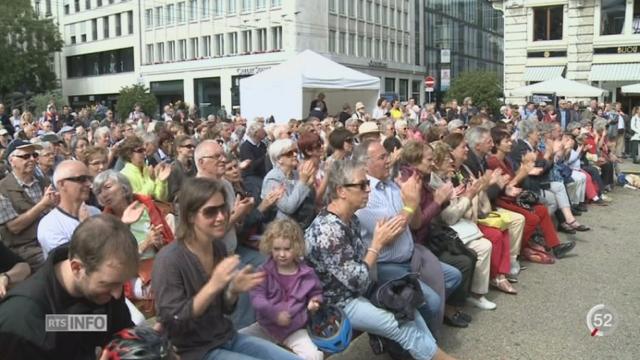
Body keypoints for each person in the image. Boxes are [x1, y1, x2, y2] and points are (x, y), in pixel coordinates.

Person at [305, 159, 455, 360]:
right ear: (341, 191)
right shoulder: (328, 231)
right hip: (338, 302)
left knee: (408, 312)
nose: (368, 190)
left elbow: (362, 274)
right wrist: (377, 244)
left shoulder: (350, 219)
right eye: (362, 185)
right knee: (399, 323)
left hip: (359, 289)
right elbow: (358, 281)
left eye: (367, 184)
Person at [152, 178, 301, 360]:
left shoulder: (218, 248)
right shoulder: (169, 260)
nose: (221, 217)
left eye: (223, 208)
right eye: (210, 212)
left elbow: (223, 309)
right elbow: (173, 321)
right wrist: (213, 286)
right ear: (190, 216)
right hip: (194, 351)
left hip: (225, 336)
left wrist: (232, 291)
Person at [353, 140, 462, 331]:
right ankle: (421, 340)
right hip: (386, 265)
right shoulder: (364, 193)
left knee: (453, 277)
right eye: (382, 157)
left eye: (387, 155)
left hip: (412, 257)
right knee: (434, 302)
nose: (389, 161)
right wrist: (410, 204)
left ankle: (417, 316)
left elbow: (416, 223)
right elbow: (390, 234)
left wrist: (415, 199)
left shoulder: (393, 184)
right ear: (365, 165)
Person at [0, 215, 139, 359]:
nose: (117, 294)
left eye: (121, 283)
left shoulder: (105, 285)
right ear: (77, 268)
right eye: (110, 284)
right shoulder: (22, 321)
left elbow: (118, 332)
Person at [486, 128, 576, 260]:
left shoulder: (505, 160)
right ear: (497, 144)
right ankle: (517, 250)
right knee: (532, 218)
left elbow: (513, 180)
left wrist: (524, 168)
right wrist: (524, 171)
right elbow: (507, 186)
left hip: (512, 197)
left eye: (510, 140)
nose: (511, 143)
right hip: (502, 201)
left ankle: (556, 247)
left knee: (541, 210)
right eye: (507, 141)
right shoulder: (493, 162)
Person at [241, 219, 324, 360]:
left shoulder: (307, 274)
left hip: (294, 329)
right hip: (265, 326)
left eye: (287, 249)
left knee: (315, 355)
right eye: (277, 249)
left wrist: (315, 301)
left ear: (297, 248)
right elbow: (257, 299)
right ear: (270, 248)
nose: (282, 254)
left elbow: (316, 292)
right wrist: (275, 314)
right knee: (234, 340)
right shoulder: (263, 271)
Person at [0, 140, 57, 271]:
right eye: (25, 156)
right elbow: (14, 227)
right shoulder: (3, 189)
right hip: (25, 247)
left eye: (34, 155)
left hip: (50, 237)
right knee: (55, 264)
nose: (32, 159)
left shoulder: (44, 182)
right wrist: (42, 205)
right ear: (12, 161)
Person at [37, 160, 101, 258]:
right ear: (62, 184)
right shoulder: (49, 225)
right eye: (81, 179)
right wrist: (87, 226)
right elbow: (74, 260)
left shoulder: (95, 212)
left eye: (89, 179)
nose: (89, 184)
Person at [262, 139, 317, 229]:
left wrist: (309, 184)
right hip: (280, 230)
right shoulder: (272, 178)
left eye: (295, 151)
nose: (295, 155)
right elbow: (288, 208)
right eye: (289, 153)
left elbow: (309, 201)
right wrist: (303, 182)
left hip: (301, 225)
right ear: (279, 159)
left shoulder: (295, 174)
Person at [118, 136, 171, 202]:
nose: (144, 153)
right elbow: (138, 199)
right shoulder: (124, 175)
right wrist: (151, 181)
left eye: (144, 150)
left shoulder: (147, 169)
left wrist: (162, 181)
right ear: (129, 154)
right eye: (140, 151)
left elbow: (160, 198)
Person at [168, 135, 196, 202]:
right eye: (189, 146)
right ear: (179, 149)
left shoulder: (194, 166)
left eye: (193, 146)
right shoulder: (173, 168)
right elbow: (173, 194)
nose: (192, 149)